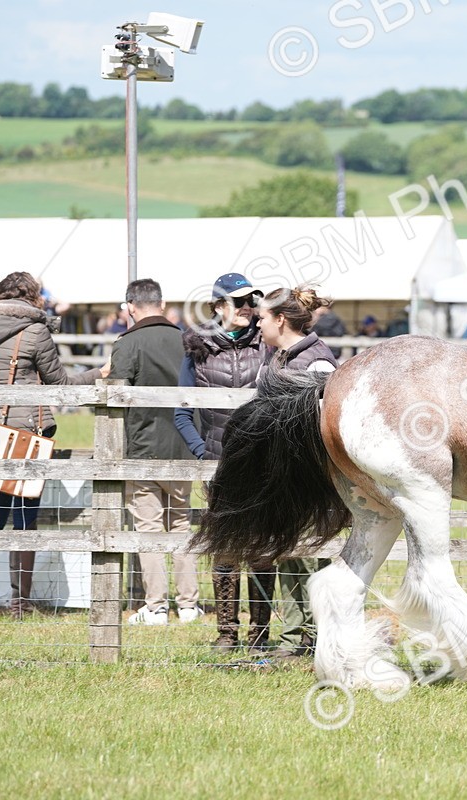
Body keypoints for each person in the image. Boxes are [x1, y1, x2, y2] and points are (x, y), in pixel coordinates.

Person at [0, 271, 106, 617]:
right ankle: (20, 604)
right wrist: (98, 374)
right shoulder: (35, 330)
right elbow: (60, 384)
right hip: (26, 433)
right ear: (31, 297)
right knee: (25, 518)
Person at [173, 272, 272, 652]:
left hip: (263, 463)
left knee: (263, 549)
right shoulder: (197, 349)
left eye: (252, 301)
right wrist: (204, 454)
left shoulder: (266, 345)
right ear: (218, 307)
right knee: (226, 548)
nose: (247, 308)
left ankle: (260, 636)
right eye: (239, 302)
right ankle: (227, 632)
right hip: (218, 464)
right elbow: (181, 412)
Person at [253, 285, 338, 661]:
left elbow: (325, 424)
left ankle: (314, 637)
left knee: (313, 559)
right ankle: (296, 637)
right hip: (282, 474)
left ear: (280, 320)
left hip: (310, 476)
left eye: (262, 319)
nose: (258, 325)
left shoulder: (318, 362)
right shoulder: (276, 359)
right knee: (289, 554)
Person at [109, 279, 201, 626]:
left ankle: (156, 606)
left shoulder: (128, 343)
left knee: (148, 529)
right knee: (180, 525)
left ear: (131, 306)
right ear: (161, 303)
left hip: (143, 447)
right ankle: (189, 605)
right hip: (183, 446)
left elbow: (116, 397)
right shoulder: (186, 341)